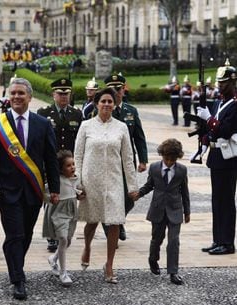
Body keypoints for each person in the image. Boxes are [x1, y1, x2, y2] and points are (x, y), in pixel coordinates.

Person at [0, 78, 60, 300]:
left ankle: (16, 266)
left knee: (25, 235)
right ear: (8, 97)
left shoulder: (42, 124)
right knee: (14, 235)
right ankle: (18, 279)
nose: (16, 97)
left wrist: (54, 188)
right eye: (13, 93)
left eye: (21, 94)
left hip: (33, 190)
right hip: (7, 191)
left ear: (29, 97)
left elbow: (50, 159)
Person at [74, 87, 137, 283]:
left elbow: (127, 158)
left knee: (115, 221)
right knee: (92, 220)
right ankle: (87, 247)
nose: (107, 105)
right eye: (103, 101)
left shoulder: (121, 127)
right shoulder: (86, 126)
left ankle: (109, 264)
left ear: (114, 104)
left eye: (110, 101)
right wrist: (78, 183)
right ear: (96, 104)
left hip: (114, 180)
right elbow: (78, 155)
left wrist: (132, 185)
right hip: (91, 179)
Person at [133, 138, 190, 285]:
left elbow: (185, 191)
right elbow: (149, 185)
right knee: (157, 239)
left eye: (173, 160)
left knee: (174, 241)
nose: (169, 162)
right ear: (162, 155)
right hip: (158, 209)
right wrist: (139, 194)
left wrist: (187, 211)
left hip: (175, 210)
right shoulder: (154, 168)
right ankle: (153, 259)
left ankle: (173, 272)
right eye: (167, 159)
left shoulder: (182, 170)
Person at [37, 78, 82, 252]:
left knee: (67, 197)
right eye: (60, 93)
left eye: (66, 94)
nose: (64, 97)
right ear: (53, 94)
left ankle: (64, 232)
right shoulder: (43, 112)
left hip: (69, 164)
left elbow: (79, 140)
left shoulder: (76, 114)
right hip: (51, 162)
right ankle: (51, 236)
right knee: (51, 200)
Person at [101, 73, 148, 240]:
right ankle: (110, 226)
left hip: (126, 161)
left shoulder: (131, 111)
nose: (116, 92)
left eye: (118, 89)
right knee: (108, 195)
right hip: (107, 160)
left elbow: (139, 137)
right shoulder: (101, 110)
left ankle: (118, 222)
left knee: (129, 198)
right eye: (112, 89)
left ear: (123, 90)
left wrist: (143, 159)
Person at [197, 60, 237, 255]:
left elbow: (226, 130)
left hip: (229, 160)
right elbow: (213, 131)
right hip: (217, 157)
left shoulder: (235, 105)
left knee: (226, 201)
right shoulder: (221, 103)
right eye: (219, 82)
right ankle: (218, 239)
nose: (220, 86)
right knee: (217, 201)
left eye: (224, 83)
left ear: (233, 83)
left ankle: (228, 242)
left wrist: (209, 119)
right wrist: (203, 143)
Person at [43, 150, 85, 286]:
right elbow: (43, 192)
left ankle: (53, 258)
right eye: (68, 165)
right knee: (63, 238)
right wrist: (51, 198)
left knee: (67, 241)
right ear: (60, 169)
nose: (72, 167)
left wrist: (80, 194)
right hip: (59, 212)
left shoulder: (76, 178)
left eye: (73, 164)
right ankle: (63, 272)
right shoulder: (56, 181)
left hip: (71, 212)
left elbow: (77, 190)